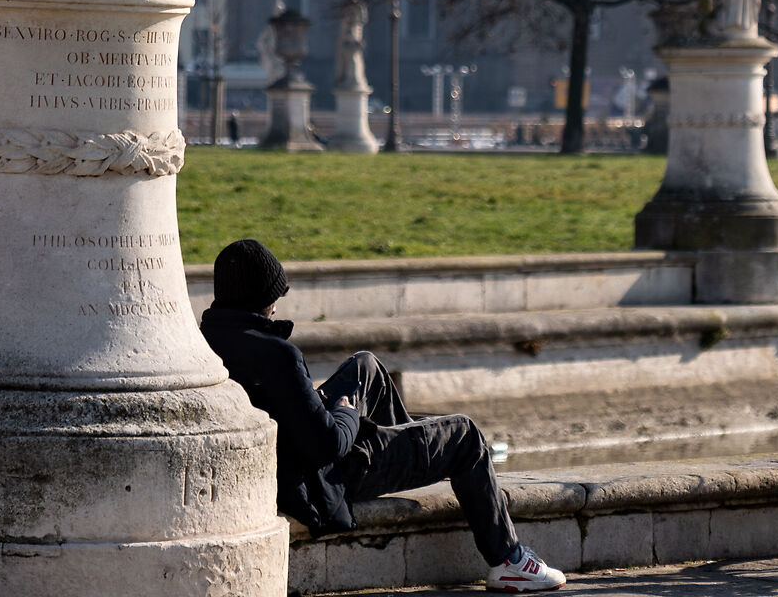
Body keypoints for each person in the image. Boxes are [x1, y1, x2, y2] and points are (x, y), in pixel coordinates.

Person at [199, 239, 566, 592]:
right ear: (264, 297)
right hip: (321, 482)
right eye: (276, 294)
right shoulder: (278, 355)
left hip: (285, 461)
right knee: (465, 434)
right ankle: (509, 561)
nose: (279, 304)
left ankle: (404, 444)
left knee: (366, 365)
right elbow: (327, 446)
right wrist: (345, 416)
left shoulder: (206, 340)